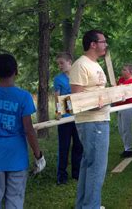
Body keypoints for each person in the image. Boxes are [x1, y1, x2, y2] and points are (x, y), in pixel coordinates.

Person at [0, 53, 45, 209]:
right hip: (17, 156)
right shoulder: (23, 97)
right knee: (15, 200)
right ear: (16, 71)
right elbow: (29, 130)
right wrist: (38, 155)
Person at [69, 30, 110, 208]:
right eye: (103, 42)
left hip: (99, 120)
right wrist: (98, 103)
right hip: (92, 122)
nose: (105, 45)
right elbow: (77, 99)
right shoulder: (81, 65)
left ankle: (84, 205)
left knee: (88, 165)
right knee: (97, 168)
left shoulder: (95, 64)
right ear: (93, 44)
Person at [54, 52, 83, 185]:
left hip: (78, 116)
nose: (59, 66)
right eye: (58, 64)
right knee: (63, 147)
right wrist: (58, 112)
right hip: (65, 117)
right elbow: (57, 98)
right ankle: (62, 175)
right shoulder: (58, 79)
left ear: (69, 62)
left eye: (62, 63)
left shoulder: (78, 77)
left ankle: (76, 173)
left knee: (78, 145)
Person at [116, 64, 132, 158]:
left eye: (125, 70)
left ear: (130, 72)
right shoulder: (121, 80)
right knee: (121, 129)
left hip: (127, 107)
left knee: (126, 128)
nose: (122, 71)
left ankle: (129, 149)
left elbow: (125, 95)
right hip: (119, 107)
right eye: (122, 69)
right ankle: (127, 147)